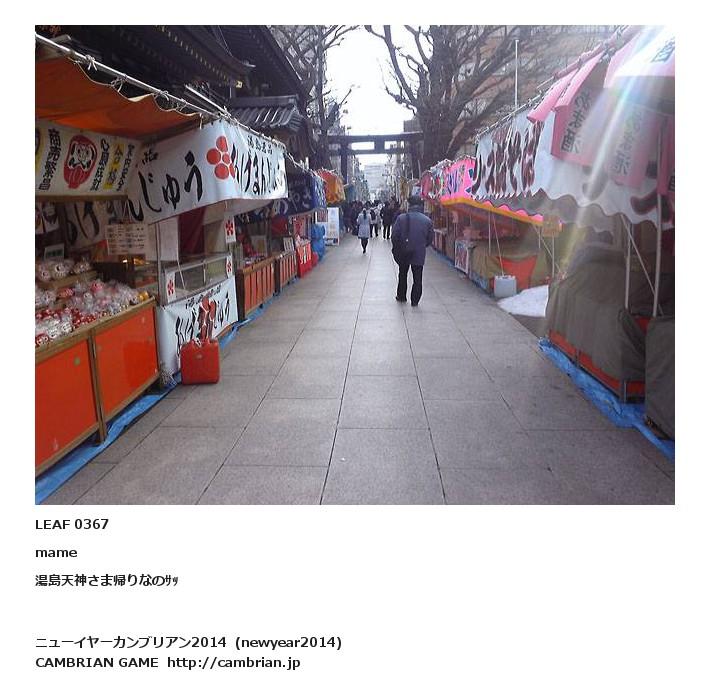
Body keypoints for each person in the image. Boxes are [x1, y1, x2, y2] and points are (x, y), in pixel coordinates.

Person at [391, 195, 434, 306]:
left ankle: (401, 296)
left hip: (404, 252)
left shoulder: (401, 218)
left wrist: (398, 248)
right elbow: (430, 239)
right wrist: (421, 245)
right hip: (419, 253)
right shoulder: (427, 221)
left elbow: (394, 236)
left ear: (409, 205)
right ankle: (415, 300)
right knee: (417, 278)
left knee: (402, 274)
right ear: (420, 205)